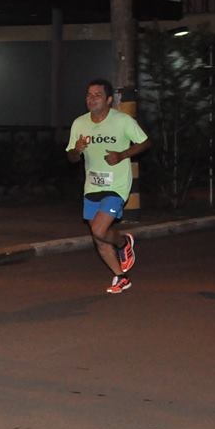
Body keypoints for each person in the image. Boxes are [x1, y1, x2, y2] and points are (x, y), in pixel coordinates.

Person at [66, 79, 151, 294]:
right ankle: (121, 277)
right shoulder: (79, 124)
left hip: (117, 184)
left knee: (99, 228)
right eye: (88, 95)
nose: (91, 99)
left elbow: (145, 142)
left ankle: (123, 243)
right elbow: (72, 158)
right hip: (92, 185)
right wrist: (76, 149)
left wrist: (122, 155)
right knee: (99, 237)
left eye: (97, 95)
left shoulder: (122, 121)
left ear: (109, 100)